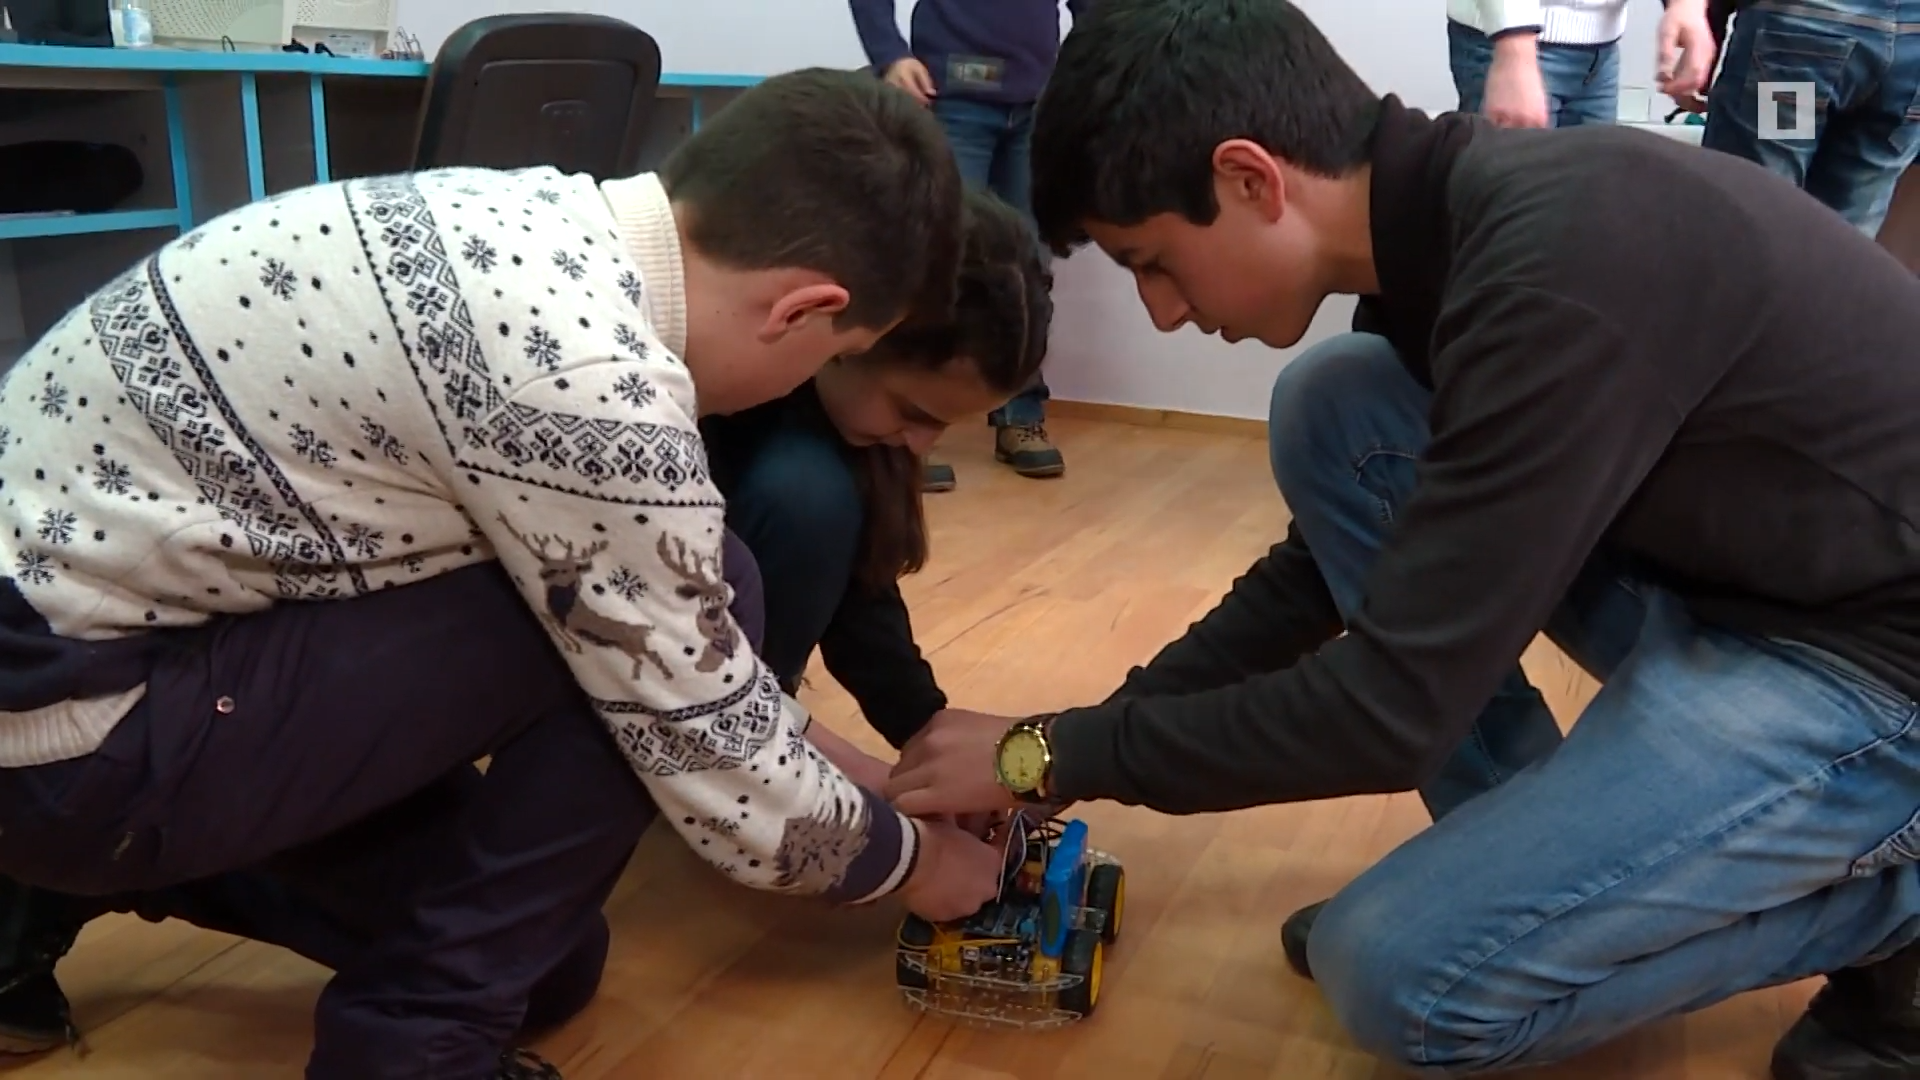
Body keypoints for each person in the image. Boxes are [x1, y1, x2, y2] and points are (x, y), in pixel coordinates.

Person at [881, 2, 1920, 1079]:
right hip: (1743, 590)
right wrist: (1077, 737)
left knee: (1401, 978)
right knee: (1340, 403)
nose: (1164, 313)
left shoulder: (1551, 267)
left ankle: (1896, 913)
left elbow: (1388, 712)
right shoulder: (1440, 239)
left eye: (1153, 263)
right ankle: (1515, 871)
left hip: (1878, 671)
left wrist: (1043, 755)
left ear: (1249, 179)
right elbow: (1319, 580)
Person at [0, 66, 1011, 1080]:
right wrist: (916, 864)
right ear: (804, 311)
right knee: (699, 593)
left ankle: (63, 880)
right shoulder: (586, 383)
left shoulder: (531, 213)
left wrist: (877, 784)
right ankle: (405, 1059)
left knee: (550, 971)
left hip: (90, 657)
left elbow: (692, 680)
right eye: (850, 349)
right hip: (68, 736)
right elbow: (708, 747)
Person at [701, 187, 1053, 760]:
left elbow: (860, 599)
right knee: (808, 497)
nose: (921, 444)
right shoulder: (748, 432)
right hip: (651, 691)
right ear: (856, 337)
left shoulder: (844, 427)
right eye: (914, 414)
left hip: (726, 700)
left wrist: (925, 731)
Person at [850, 0, 1083, 489]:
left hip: (1038, 102)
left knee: (1029, 265)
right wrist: (890, 56)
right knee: (937, 264)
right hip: (952, 99)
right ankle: (904, 427)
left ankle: (1020, 414)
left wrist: (1093, 72)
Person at [1677, 0, 1920, 238]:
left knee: (1755, 215)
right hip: (1910, 58)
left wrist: (1703, 25)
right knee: (1846, 243)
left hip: (1803, 40)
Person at [1446, 0, 1628, 129]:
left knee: (1589, 180)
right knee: (1515, 178)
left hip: (1602, 49)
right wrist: (1514, 46)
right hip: (1510, 40)